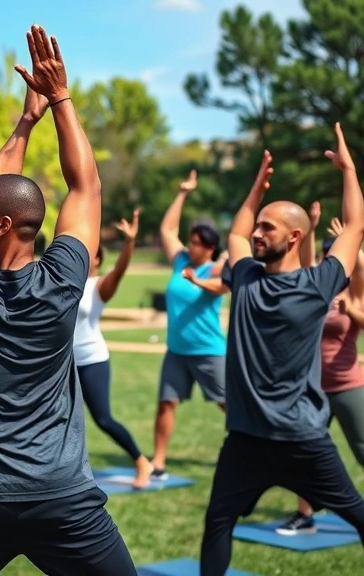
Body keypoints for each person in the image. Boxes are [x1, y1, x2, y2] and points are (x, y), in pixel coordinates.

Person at [0, 26, 137, 575]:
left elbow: (0, 180)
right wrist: (60, 101)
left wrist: (27, 119)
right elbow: (85, 188)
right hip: (61, 502)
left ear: (5, 226)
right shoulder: (63, 280)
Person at [199, 124, 364, 576]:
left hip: (301, 439)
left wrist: (348, 169)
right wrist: (255, 191)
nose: (256, 234)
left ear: (294, 237)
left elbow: (355, 227)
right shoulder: (246, 276)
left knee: (359, 515)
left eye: (267, 229)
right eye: (257, 226)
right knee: (218, 521)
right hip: (247, 438)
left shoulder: (317, 284)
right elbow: (235, 235)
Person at [273, 209, 364, 546]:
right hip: (313, 389)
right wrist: (313, 228)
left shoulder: (354, 291)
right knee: (304, 452)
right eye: (326, 253)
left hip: (348, 384)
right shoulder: (314, 287)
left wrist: (352, 309)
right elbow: (303, 262)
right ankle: (305, 515)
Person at [151, 169, 228, 479]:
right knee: (166, 403)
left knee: (229, 407)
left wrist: (198, 279)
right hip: (177, 351)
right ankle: (158, 462)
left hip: (209, 351)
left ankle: (253, 452)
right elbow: (167, 231)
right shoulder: (181, 261)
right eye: (191, 241)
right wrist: (183, 193)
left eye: (197, 243)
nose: (191, 246)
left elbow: (223, 286)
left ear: (209, 248)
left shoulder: (216, 266)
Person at [73, 208, 154, 489]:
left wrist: (130, 242)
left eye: (89, 253)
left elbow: (119, 271)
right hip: (63, 364)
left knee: (104, 419)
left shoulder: (98, 287)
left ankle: (141, 461)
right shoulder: (63, 283)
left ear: (96, 260)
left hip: (92, 360)